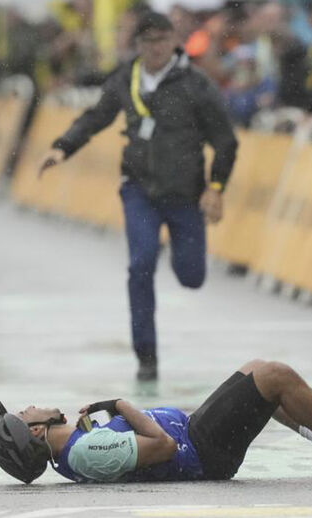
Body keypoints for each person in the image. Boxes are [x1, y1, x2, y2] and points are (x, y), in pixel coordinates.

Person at [37, 12, 238, 382]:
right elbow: (96, 117)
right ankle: (146, 356)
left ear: (174, 41)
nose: (156, 48)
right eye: (148, 41)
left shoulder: (196, 85)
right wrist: (62, 148)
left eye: (162, 39)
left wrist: (217, 187)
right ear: (138, 44)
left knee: (191, 276)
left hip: (185, 194)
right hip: (139, 190)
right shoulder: (125, 79)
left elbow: (225, 141)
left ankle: (175, 247)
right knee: (140, 265)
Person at [0, 359, 312, 483]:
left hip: (197, 437)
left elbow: (111, 450)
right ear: (36, 432)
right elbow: (161, 447)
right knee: (271, 376)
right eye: (24, 414)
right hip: (200, 449)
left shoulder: (76, 445)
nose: (29, 406)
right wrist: (120, 404)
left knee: (257, 388)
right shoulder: (84, 453)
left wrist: (101, 413)